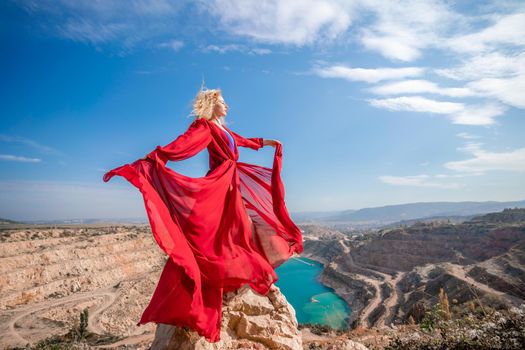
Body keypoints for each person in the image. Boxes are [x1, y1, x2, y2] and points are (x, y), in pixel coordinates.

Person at [103, 86, 303, 342]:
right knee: (219, 232)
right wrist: (157, 156)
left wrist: (267, 142)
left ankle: (232, 275)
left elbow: (243, 141)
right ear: (212, 104)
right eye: (223, 102)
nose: (227, 106)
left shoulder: (224, 129)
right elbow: (182, 145)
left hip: (232, 184)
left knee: (239, 230)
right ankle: (213, 278)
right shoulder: (204, 127)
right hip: (218, 185)